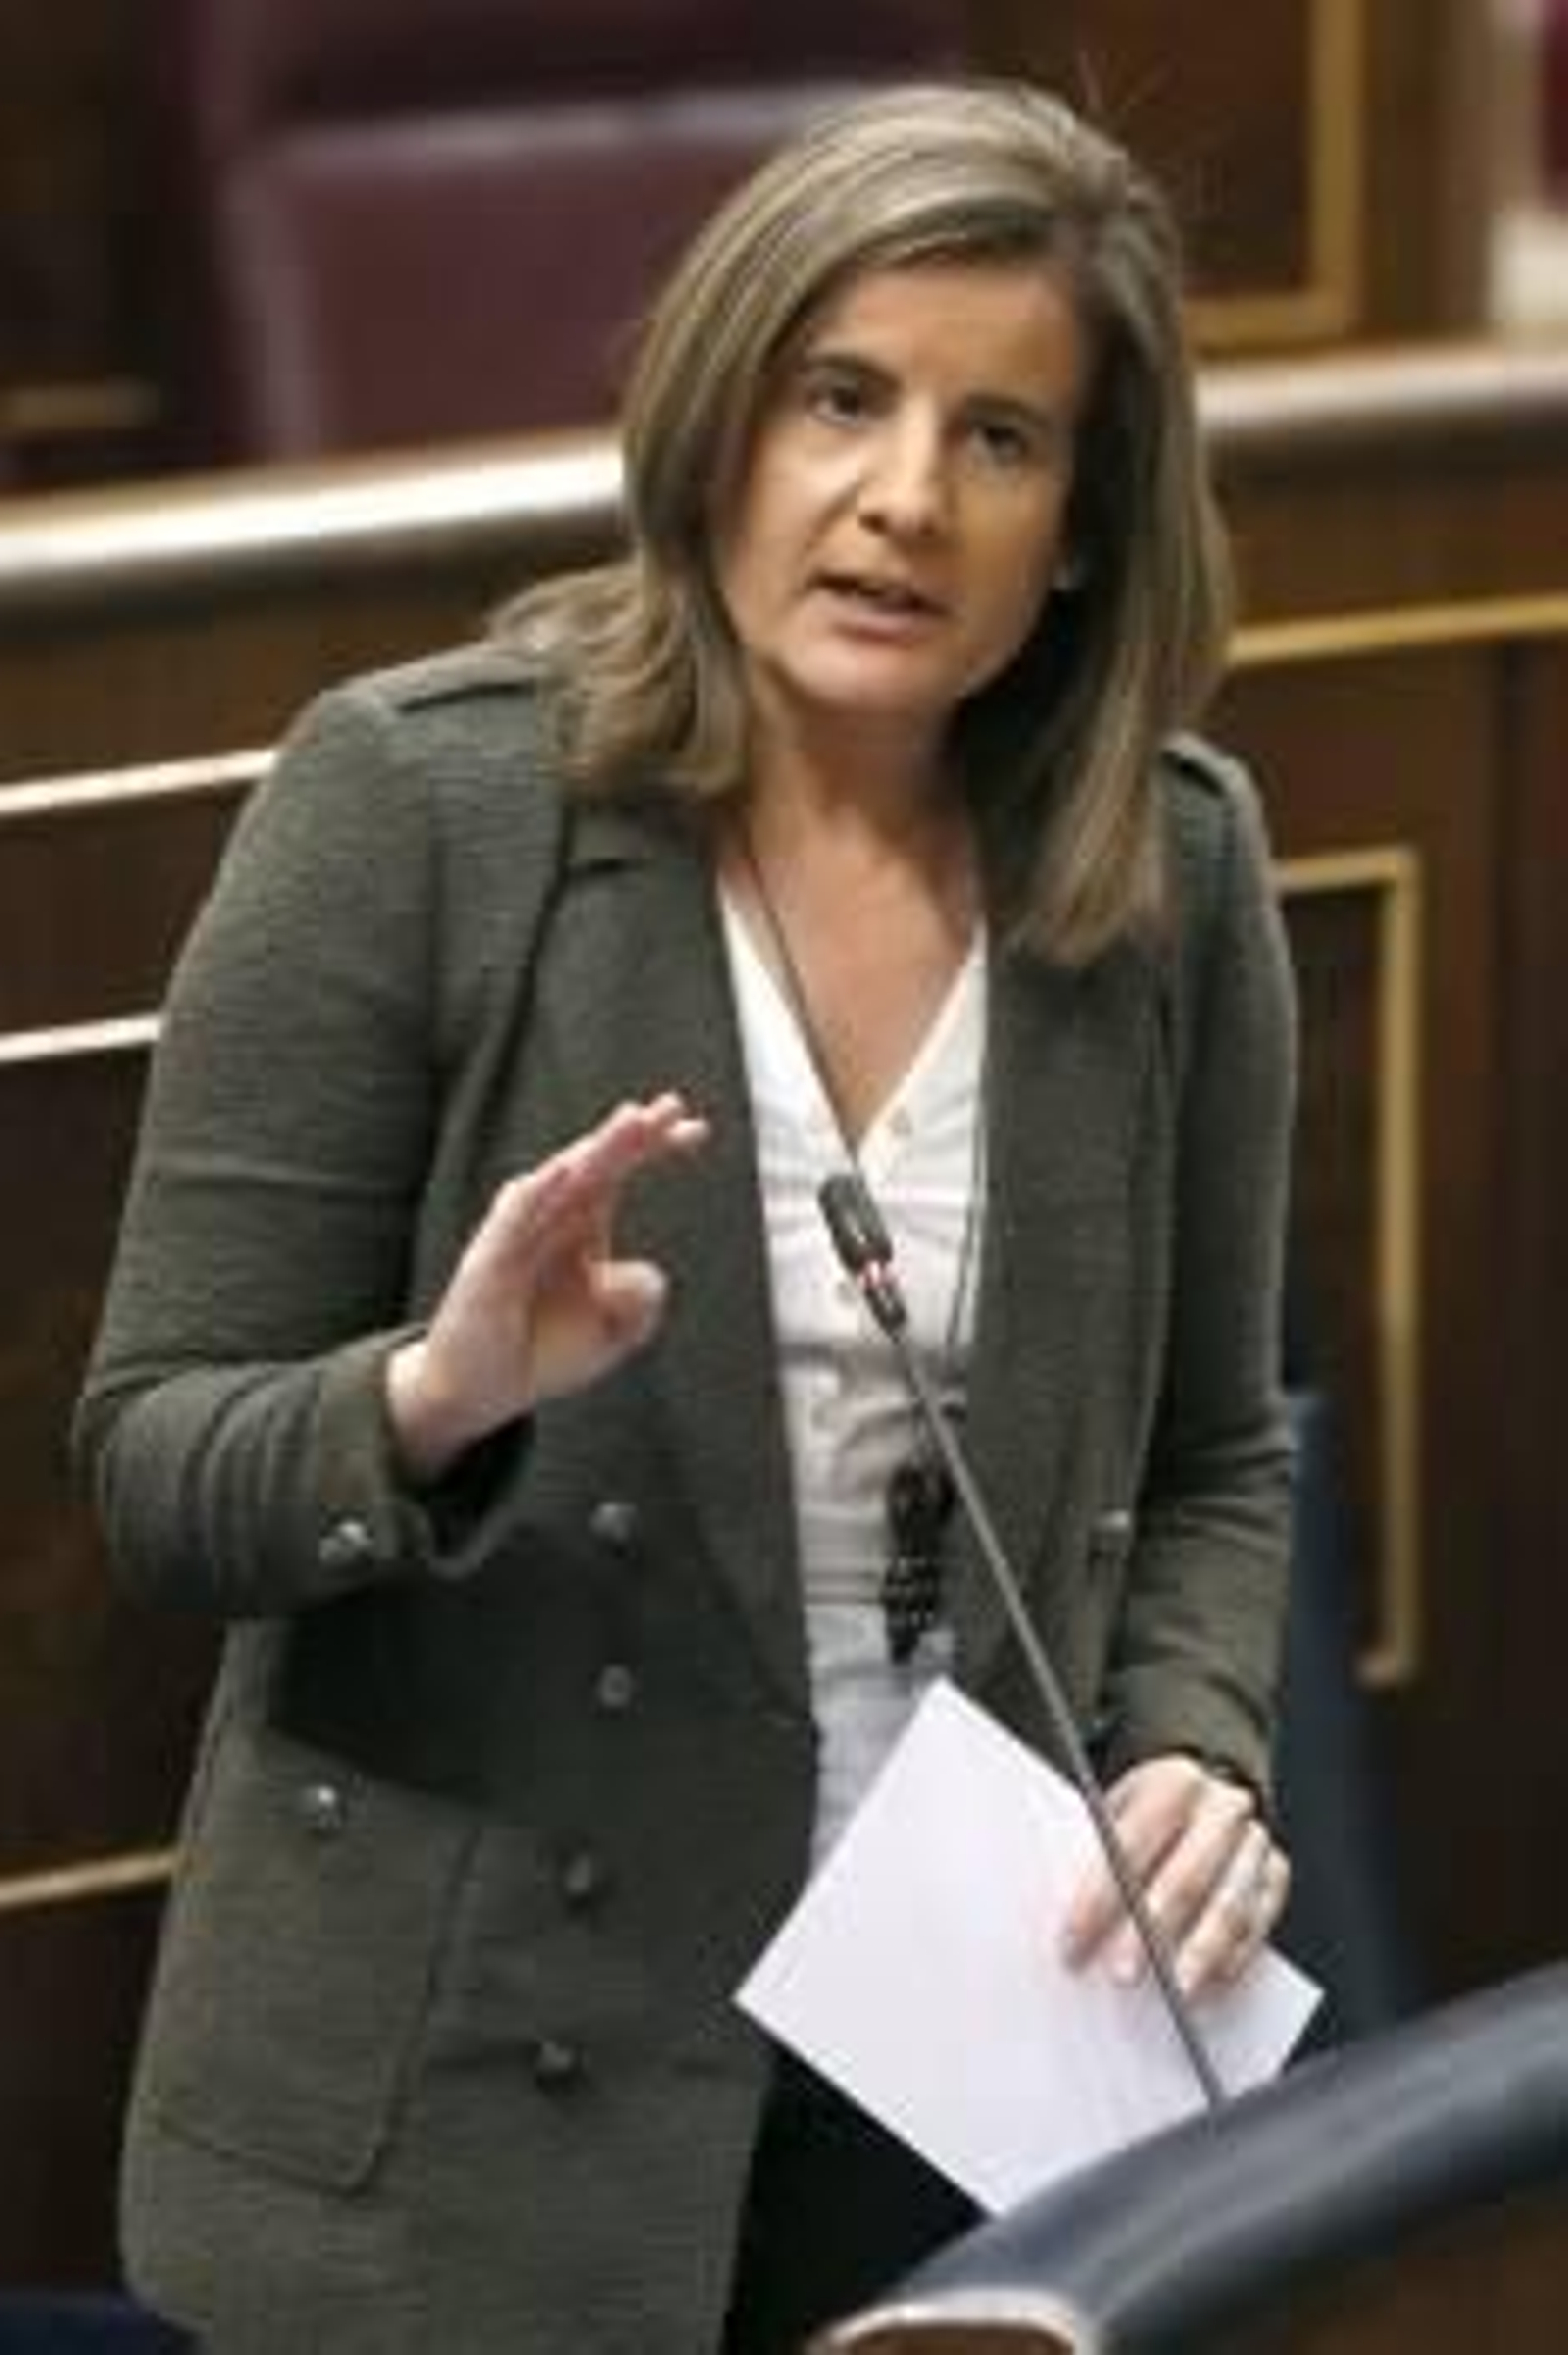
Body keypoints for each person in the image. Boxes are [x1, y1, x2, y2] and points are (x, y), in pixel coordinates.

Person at [75, 79, 1298, 2355]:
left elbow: (1216, 1446)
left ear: (1087, 529)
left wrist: (1191, 1743)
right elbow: (157, 1464)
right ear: (721, 417)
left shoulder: (1168, 878)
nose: (902, 499)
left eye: (1000, 436)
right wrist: (437, 1399)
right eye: (841, 396)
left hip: (952, 2058)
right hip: (467, 2096)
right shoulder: (417, 805)